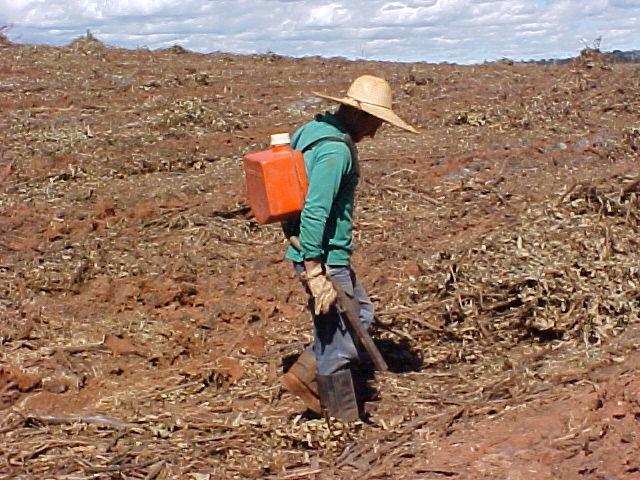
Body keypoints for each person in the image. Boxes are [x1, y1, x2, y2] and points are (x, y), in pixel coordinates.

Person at [280, 74, 417, 421]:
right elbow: (317, 207)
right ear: (359, 115)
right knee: (338, 340)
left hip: (314, 249)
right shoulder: (335, 149)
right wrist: (315, 270)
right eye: (374, 123)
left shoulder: (312, 130)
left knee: (361, 315)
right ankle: (342, 417)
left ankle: (304, 374)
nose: (373, 133)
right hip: (323, 256)